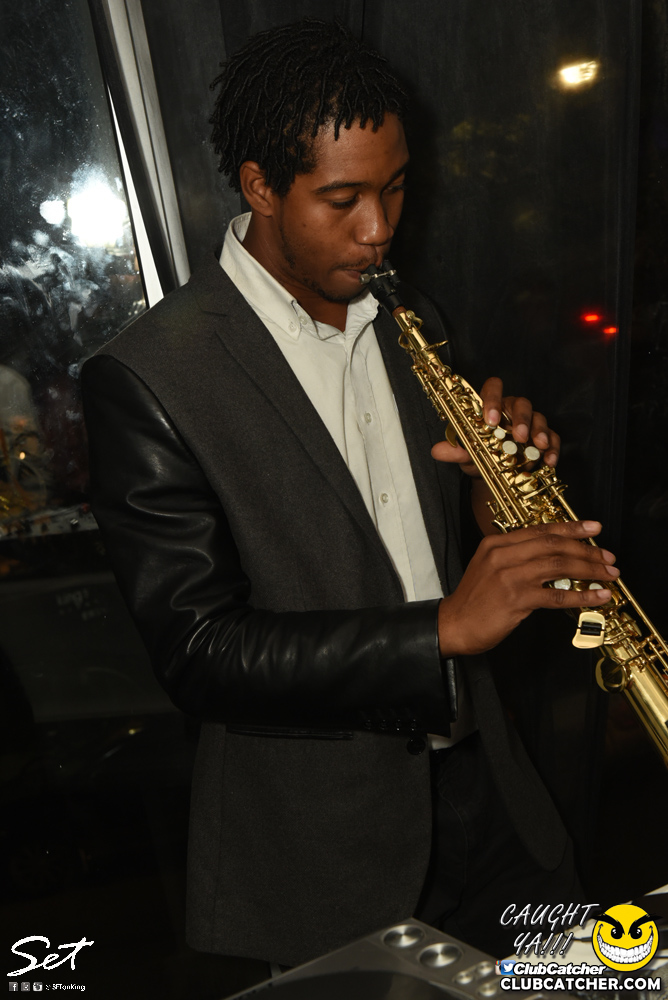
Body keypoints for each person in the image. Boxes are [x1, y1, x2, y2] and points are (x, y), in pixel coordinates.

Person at [81, 19, 618, 966]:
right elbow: (200, 654)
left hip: (497, 807)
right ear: (259, 187)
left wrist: (496, 500)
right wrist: (442, 630)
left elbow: (423, 541)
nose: (380, 228)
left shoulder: (414, 319)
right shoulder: (149, 377)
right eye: (343, 199)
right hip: (326, 859)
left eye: (396, 186)